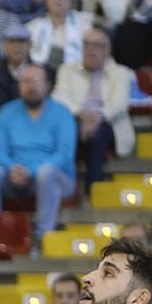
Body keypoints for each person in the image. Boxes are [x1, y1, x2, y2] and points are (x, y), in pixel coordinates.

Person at [0, 64, 77, 241]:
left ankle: (43, 235)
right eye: (25, 81)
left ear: (48, 85)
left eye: (35, 81)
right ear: (18, 86)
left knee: (46, 172)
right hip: (13, 174)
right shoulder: (7, 111)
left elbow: (64, 154)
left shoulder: (62, 113)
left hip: (55, 178)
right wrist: (12, 168)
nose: (30, 86)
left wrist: (31, 170)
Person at [53, 28, 134, 189]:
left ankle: (94, 187)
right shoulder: (67, 70)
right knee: (69, 130)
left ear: (107, 49)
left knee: (98, 135)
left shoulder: (122, 72)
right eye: (87, 45)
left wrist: (98, 117)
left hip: (108, 122)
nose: (91, 50)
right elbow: (58, 96)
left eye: (97, 45)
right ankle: (64, 184)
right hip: (76, 119)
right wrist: (80, 113)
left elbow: (120, 103)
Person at [28, 0, 94, 70]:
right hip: (41, 74)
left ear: (71, 0)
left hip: (76, 72)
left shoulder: (84, 24)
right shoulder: (33, 26)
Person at [0, 22, 32, 124]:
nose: (16, 46)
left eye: (21, 41)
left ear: (29, 44)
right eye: (11, 41)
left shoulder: (40, 73)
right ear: (4, 45)